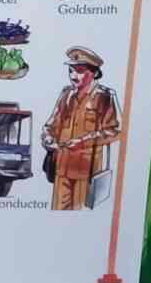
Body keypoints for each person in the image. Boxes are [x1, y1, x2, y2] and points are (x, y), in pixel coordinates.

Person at [41, 46, 121, 211]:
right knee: (57, 212)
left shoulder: (104, 96)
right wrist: (47, 138)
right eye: (71, 71)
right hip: (61, 169)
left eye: (79, 71)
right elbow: (50, 125)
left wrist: (83, 142)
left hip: (86, 172)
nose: (73, 76)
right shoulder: (66, 94)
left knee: (80, 214)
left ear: (94, 73)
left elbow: (116, 130)